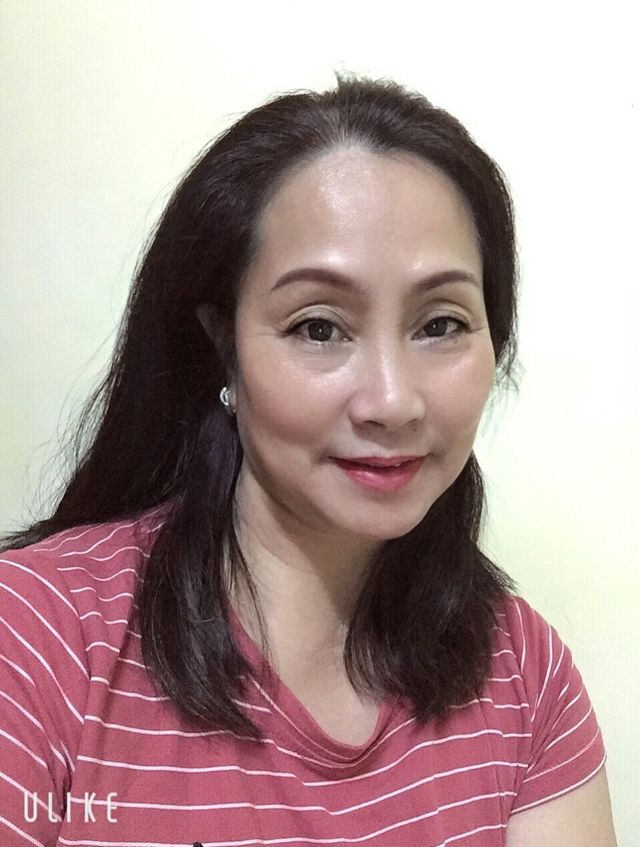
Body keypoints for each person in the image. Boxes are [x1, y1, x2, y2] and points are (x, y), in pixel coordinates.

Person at [0, 73, 617, 846]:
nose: (392, 401)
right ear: (223, 346)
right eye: (319, 327)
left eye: (441, 324)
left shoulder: (524, 675)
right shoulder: (32, 639)